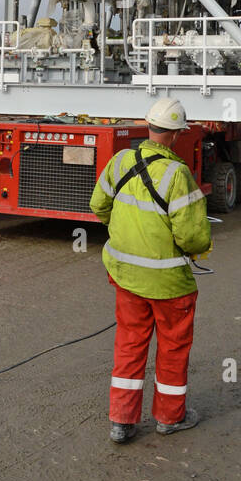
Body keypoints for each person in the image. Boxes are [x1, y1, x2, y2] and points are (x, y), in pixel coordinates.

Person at [89, 98, 211, 444]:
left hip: (127, 277)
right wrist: (198, 247)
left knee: (129, 344)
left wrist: (129, 233)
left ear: (148, 126)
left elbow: (99, 205)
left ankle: (121, 422)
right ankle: (170, 418)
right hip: (170, 284)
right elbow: (193, 237)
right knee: (172, 347)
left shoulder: (121, 160)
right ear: (175, 135)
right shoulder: (178, 174)